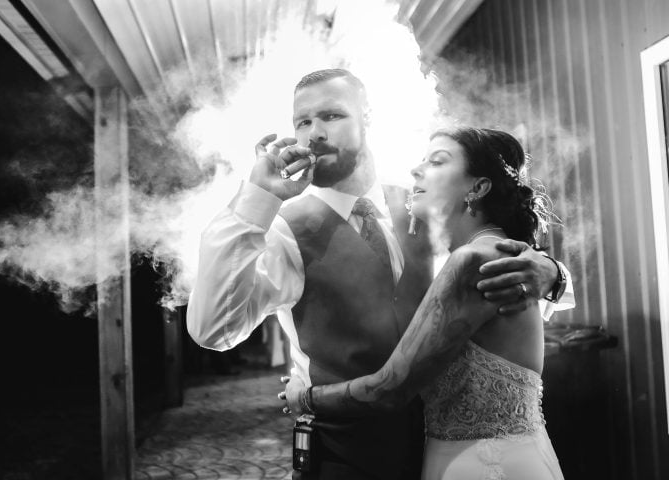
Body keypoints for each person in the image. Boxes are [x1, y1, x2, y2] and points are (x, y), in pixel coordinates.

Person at [187, 69, 573, 479]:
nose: (314, 133)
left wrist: (553, 274)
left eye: (332, 116)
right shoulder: (282, 228)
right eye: (303, 122)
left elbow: (490, 262)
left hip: (439, 454)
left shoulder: (424, 202)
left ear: (368, 119)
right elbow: (212, 329)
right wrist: (256, 201)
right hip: (346, 460)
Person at [284, 127, 566, 480]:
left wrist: (304, 398)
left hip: (481, 466)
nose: (416, 170)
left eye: (437, 161)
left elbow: (389, 390)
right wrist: (557, 272)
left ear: (477, 188)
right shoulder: (491, 250)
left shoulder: (475, 260)